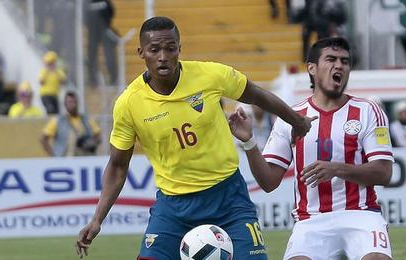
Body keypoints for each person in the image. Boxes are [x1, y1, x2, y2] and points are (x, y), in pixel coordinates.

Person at [74, 16, 313, 260]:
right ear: (141, 52)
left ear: (180, 49)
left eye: (170, 48)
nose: (163, 56)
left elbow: (256, 94)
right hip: (173, 207)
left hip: (228, 198)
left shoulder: (210, 75)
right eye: (154, 49)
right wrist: (97, 219)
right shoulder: (128, 103)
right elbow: (117, 165)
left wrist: (297, 120)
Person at [229, 37, 393, 259]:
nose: (339, 66)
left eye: (345, 62)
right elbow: (268, 182)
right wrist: (249, 141)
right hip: (311, 221)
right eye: (331, 59)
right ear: (312, 69)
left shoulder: (368, 111)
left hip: (361, 215)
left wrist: (336, 169)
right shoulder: (291, 118)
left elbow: (383, 173)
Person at [40, 91, 101, 157]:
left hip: (85, 157)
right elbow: (43, 139)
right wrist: (53, 156)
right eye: (69, 102)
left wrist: (92, 144)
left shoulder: (87, 120)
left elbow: (98, 136)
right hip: (65, 159)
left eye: (74, 102)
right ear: (65, 104)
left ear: (77, 103)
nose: (72, 105)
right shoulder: (57, 121)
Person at [86, 0, 118, 86]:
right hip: (94, 32)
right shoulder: (89, 3)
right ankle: (93, 80)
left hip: (104, 30)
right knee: (92, 56)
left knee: (109, 54)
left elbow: (111, 12)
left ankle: (113, 78)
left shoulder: (103, 2)